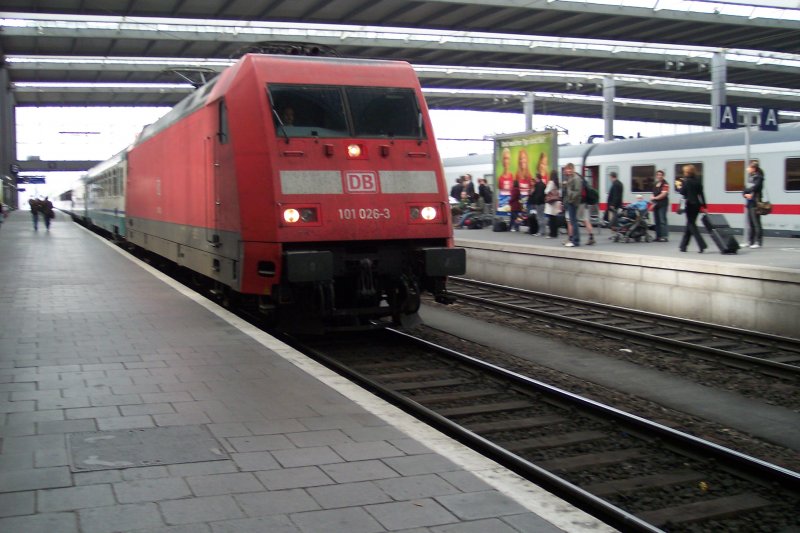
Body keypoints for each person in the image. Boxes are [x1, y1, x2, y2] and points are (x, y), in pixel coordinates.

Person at [563, 163, 596, 247]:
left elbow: (576, 192)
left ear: (573, 169)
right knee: (583, 220)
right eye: (567, 169)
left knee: (572, 221)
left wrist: (570, 196)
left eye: (569, 169)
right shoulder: (575, 177)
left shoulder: (575, 178)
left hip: (575, 202)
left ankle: (573, 240)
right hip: (580, 202)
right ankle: (589, 237)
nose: (567, 171)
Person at [677, 164, 707, 253]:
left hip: (689, 205)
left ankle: (702, 245)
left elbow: (682, 192)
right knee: (689, 224)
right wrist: (704, 206)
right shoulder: (698, 181)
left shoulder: (686, 181)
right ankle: (683, 246)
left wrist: (679, 186)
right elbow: (701, 194)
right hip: (697, 205)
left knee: (691, 225)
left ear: (687, 172)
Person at [743, 161, 764, 249]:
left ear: (753, 169)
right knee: (750, 223)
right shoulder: (751, 178)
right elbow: (745, 189)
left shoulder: (759, 177)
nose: (747, 169)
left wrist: (748, 190)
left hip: (755, 202)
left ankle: (758, 242)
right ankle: (750, 241)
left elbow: (756, 187)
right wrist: (745, 194)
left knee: (756, 223)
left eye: (749, 168)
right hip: (749, 202)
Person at [651, 170, 670, 242]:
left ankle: (664, 236)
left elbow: (664, 194)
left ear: (663, 176)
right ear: (656, 176)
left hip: (663, 204)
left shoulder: (665, 184)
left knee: (662, 220)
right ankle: (658, 236)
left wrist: (655, 198)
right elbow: (653, 193)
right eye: (658, 175)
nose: (659, 176)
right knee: (656, 221)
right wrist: (652, 199)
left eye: (661, 175)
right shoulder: (655, 183)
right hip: (656, 204)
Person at [543, 173, 561, 239]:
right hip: (556, 201)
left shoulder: (551, 182)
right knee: (554, 218)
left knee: (551, 219)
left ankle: (551, 234)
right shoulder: (557, 183)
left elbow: (546, 191)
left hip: (551, 202)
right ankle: (555, 233)